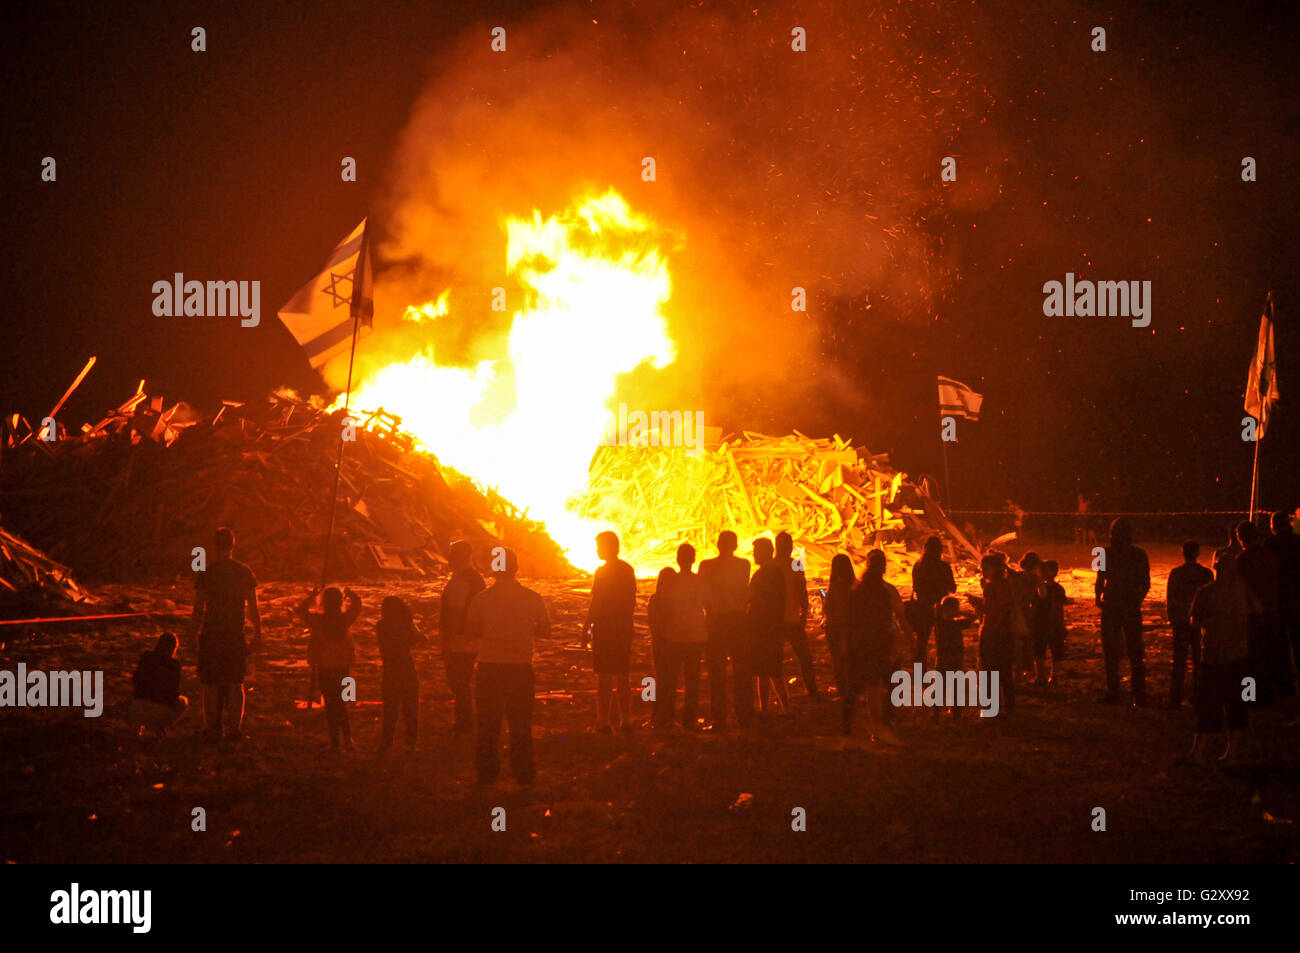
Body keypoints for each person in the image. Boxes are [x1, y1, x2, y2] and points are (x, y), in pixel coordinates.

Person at [465, 548, 549, 786]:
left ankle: (486, 775)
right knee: (521, 724)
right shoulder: (533, 598)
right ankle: (523, 774)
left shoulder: (482, 599)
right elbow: (545, 630)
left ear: (494, 568)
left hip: (490, 668)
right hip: (520, 669)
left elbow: (470, 633)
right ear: (516, 568)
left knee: (488, 725)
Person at [190, 526, 261, 744]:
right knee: (235, 682)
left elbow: (198, 609)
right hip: (234, 633)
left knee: (210, 683)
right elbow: (253, 607)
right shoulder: (244, 572)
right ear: (233, 545)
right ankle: (234, 729)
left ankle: (212, 729)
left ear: (214, 546)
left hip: (211, 633)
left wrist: (193, 633)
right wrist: (258, 631)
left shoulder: (206, 575)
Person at [1189, 551, 1261, 763]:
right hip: (1239, 654)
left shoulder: (1206, 592)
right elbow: (1258, 608)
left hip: (1213, 656)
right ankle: (1232, 753)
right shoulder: (1241, 589)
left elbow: (1194, 620)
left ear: (1215, 568)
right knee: (1237, 703)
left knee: (1207, 704)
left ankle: (1198, 751)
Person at [844, 549, 911, 742]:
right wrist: (907, 639)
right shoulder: (886, 591)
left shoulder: (857, 590)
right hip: (881, 645)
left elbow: (850, 620)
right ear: (884, 568)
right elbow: (898, 617)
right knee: (888, 685)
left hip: (863, 644)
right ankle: (882, 724)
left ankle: (856, 727)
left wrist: (848, 643)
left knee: (863, 687)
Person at [584, 531, 637, 733]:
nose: (597, 550)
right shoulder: (627, 570)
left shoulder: (603, 572)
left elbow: (597, 603)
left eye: (599, 546)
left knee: (604, 678)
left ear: (608, 547)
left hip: (605, 629)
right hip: (622, 628)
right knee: (622, 675)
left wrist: (588, 626)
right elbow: (630, 601)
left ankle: (603, 721)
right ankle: (626, 720)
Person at [699, 531, 753, 730]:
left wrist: (710, 613)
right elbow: (744, 591)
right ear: (736, 546)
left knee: (716, 671)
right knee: (742, 669)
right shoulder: (744, 565)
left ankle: (720, 718)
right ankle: (744, 715)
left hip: (717, 621)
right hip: (738, 619)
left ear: (718, 545)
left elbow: (704, 593)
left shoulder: (706, 566)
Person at [1095, 518, 1151, 705]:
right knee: (1135, 649)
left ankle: (1114, 691)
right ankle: (1139, 693)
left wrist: (1098, 599)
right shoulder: (1139, 554)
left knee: (1111, 651)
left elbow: (1100, 579)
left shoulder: (1105, 553)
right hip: (1130, 604)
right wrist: (1138, 600)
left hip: (1112, 604)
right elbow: (1146, 583)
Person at [298, 586, 361, 751]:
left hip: (325, 669)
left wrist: (312, 596)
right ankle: (347, 739)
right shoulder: (345, 619)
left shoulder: (318, 622)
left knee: (332, 707)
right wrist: (350, 594)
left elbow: (301, 611)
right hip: (344, 669)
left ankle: (335, 742)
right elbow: (357, 606)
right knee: (343, 704)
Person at [656, 543, 709, 729]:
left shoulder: (670, 582)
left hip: (674, 636)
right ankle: (690, 720)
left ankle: (667, 719)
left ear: (677, 559)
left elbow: (661, 607)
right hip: (695, 636)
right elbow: (708, 606)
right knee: (692, 680)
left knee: (670, 679)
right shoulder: (700, 581)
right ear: (693, 559)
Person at [1235, 521, 1283, 705]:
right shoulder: (1269, 556)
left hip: (1251, 614)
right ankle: (1269, 695)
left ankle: (1250, 696)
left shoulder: (1242, 560)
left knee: (1250, 659)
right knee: (1269, 654)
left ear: (1241, 538)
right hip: (1270, 611)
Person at [439, 540, 485, 735]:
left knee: (459, 683)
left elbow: (456, 615)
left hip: (460, 642)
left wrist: (447, 644)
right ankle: (467, 721)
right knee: (464, 682)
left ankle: (464, 723)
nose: (448, 558)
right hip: (473, 640)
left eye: (451, 554)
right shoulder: (476, 578)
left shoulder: (461, 581)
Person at [774, 532, 822, 701]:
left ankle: (783, 700)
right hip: (791, 619)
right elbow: (802, 591)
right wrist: (804, 613)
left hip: (777, 620)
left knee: (776, 659)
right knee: (804, 657)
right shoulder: (795, 564)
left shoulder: (772, 564)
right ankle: (812, 692)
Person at [1166, 541, 1214, 708]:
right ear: (1198, 553)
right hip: (1199, 621)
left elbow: (1170, 597)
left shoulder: (1176, 573)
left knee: (1179, 660)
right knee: (1199, 660)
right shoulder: (1206, 573)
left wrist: (1171, 616)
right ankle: (1199, 695)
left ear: (1183, 553)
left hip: (1181, 620)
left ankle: (1176, 696)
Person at [377, 595, 426, 751]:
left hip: (390, 671)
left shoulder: (381, 626)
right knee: (411, 709)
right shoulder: (405, 627)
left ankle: (386, 743)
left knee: (390, 711)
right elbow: (420, 639)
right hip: (406, 669)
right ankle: (410, 743)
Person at [748, 537, 789, 714]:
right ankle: (783, 706)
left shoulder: (762, 575)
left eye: (756, 551)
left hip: (762, 626)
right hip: (774, 625)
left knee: (764, 668)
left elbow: (751, 597)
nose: (754, 555)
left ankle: (767, 707)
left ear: (766, 552)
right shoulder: (777, 572)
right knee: (771, 668)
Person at [1264, 509, 1300, 698]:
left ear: (1273, 527)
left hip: (1278, 601)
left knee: (1280, 648)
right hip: (1297, 600)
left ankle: (1286, 689)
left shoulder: (1270, 544)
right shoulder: (1298, 542)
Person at [978, 553, 1018, 715]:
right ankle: (1009, 705)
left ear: (992, 569)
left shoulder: (991, 587)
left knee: (989, 671)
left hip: (991, 631)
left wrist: (979, 607)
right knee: (1005, 670)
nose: (982, 571)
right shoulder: (1007, 584)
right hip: (1006, 631)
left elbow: (992, 610)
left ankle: (990, 707)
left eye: (984, 568)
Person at [129, 632, 188, 738]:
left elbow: (136, 680)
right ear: (174, 648)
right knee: (182, 702)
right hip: (159, 710)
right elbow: (173, 692)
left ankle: (137, 728)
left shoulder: (146, 657)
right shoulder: (174, 665)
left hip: (138, 706)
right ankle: (159, 726)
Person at [911, 536, 956, 665]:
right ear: (940, 550)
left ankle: (920, 673)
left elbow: (915, 587)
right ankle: (941, 670)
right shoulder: (943, 567)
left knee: (922, 641)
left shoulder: (918, 566)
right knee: (942, 640)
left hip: (922, 606)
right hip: (940, 607)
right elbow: (952, 588)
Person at [935, 597, 976, 716]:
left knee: (941, 686)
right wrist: (962, 612)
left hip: (943, 659)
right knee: (954, 686)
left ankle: (938, 712)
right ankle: (954, 712)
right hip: (953, 659)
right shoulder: (954, 624)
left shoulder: (940, 623)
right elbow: (971, 618)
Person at [823, 554, 856, 697]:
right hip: (848, 627)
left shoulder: (835, 586)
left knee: (838, 661)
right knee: (849, 659)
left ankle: (843, 692)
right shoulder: (854, 586)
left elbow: (827, 608)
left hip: (834, 627)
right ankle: (850, 690)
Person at [1010, 552, 1044, 683]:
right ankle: (1025, 671)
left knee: (1015, 643)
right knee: (1027, 643)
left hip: (1014, 611)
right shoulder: (1035, 579)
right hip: (1027, 611)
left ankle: (1016, 673)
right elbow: (1043, 595)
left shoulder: (1016, 576)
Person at [1037, 559, 1068, 686]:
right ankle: (1047, 677)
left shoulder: (1046, 588)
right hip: (1049, 623)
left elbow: (1057, 607)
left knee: (1046, 651)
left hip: (1048, 623)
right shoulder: (1057, 588)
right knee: (1044, 651)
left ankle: (1044, 677)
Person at [647, 566, 676, 680]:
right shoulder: (675, 599)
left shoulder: (655, 599)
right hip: (672, 641)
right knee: (671, 674)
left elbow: (651, 620)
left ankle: (660, 696)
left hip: (659, 640)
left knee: (661, 673)